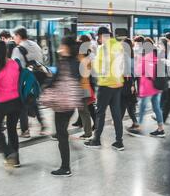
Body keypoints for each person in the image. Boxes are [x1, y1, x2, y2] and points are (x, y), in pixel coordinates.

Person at [40, 37, 84, 177]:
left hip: (62, 103)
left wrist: (45, 86)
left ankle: (65, 167)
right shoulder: (77, 62)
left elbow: (55, 79)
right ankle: (66, 162)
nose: (60, 47)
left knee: (61, 134)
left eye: (62, 45)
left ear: (67, 47)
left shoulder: (64, 62)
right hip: (72, 103)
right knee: (62, 132)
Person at [84, 27, 125, 151]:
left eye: (99, 37)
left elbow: (99, 67)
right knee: (116, 114)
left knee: (100, 113)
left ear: (102, 36)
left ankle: (96, 140)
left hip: (106, 84)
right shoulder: (119, 46)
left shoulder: (103, 48)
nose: (99, 40)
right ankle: (119, 142)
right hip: (117, 84)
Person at [0, 41, 22, 168]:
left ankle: (8, 154)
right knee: (12, 129)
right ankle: (16, 159)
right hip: (16, 101)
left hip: (2, 103)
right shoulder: (14, 64)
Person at [11, 27, 45, 138]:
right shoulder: (36, 45)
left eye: (14, 36)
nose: (14, 38)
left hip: (25, 80)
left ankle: (25, 131)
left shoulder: (18, 49)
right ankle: (43, 124)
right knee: (33, 101)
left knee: (22, 105)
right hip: (37, 78)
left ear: (19, 36)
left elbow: (15, 67)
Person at [128, 38, 165, 138]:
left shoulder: (144, 57)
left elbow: (138, 71)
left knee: (142, 107)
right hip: (156, 86)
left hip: (147, 86)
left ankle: (139, 128)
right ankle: (161, 128)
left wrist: (137, 61)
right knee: (156, 107)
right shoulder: (156, 55)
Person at [120, 38, 139, 130]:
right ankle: (135, 122)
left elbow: (128, 72)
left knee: (123, 104)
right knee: (129, 105)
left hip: (127, 83)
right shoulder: (132, 55)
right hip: (130, 83)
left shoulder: (125, 56)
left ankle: (118, 121)